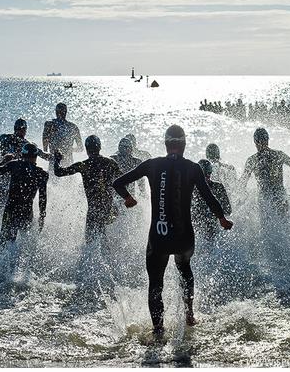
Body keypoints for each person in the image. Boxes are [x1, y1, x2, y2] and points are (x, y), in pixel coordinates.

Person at [112, 125, 234, 338]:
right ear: (184, 145)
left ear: (166, 144)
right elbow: (209, 198)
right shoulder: (193, 168)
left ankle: (159, 330)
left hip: (158, 237)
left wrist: (128, 199)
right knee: (184, 268)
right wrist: (222, 219)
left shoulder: (152, 165)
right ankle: (189, 315)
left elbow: (117, 183)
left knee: (155, 284)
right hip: (184, 236)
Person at [54, 135, 122, 244]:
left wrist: (57, 160)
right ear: (100, 147)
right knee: (104, 237)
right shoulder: (111, 163)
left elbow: (59, 172)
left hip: (94, 211)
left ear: (86, 149)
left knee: (90, 243)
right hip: (111, 210)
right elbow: (123, 181)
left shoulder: (83, 165)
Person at [0, 143, 49, 246]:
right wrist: (42, 216)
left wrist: (2, 162)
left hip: (11, 210)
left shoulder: (14, 165)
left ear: (22, 155)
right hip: (27, 212)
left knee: (4, 245)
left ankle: (2, 262)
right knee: (25, 246)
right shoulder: (42, 174)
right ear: (36, 157)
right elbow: (43, 198)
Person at [0, 118, 49, 219]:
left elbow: (42, 155)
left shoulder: (10, 139)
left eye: (22, 130)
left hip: (12, 182)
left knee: (5, 212)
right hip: (5, 181)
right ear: (16, 129)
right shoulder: (15, 141)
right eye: (20, 129)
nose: (21, 132)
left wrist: (4, 149)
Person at [240, 128, 290, 221]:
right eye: (260, 140)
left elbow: (243, 182)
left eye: (263, 140)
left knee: (273, 225)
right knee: (278, 224)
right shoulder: (277, 155)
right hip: (272, 196)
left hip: (272, 196)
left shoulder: (254, 159)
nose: (261, 143)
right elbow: (243, 181)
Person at [192, 160, 232, 243]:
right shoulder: (191, 189)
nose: (207, 176)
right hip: (198, 230)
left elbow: (228, 210)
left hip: (210, 229)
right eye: (205, 174)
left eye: (209, 173)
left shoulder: (218, 187)